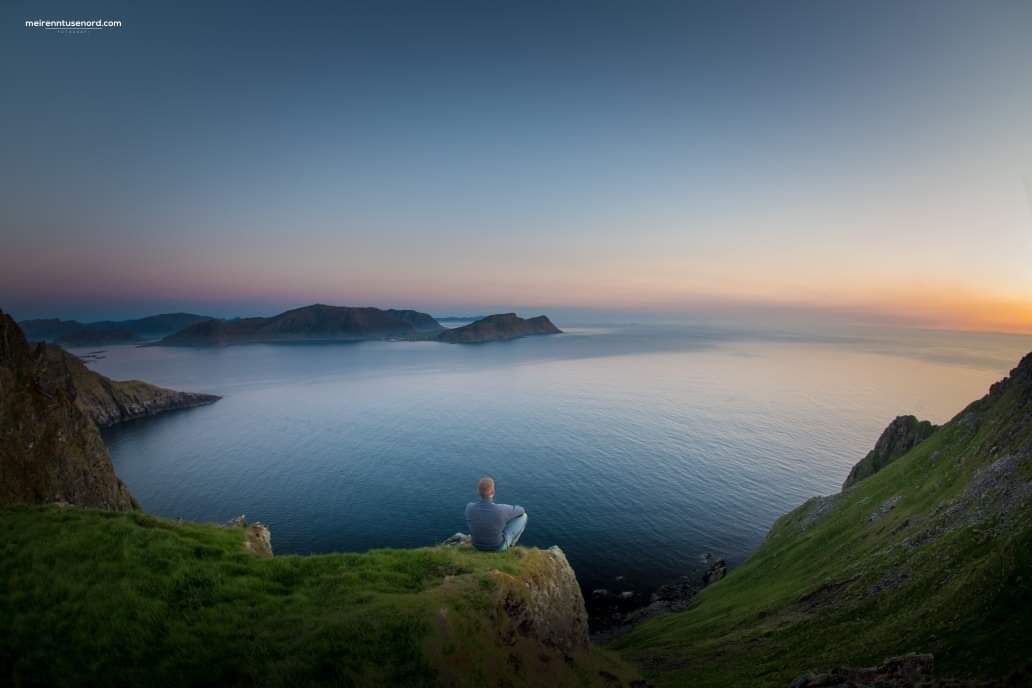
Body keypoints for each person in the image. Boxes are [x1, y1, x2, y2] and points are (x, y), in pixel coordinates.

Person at [464, 476, 527, 551]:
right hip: (497, 547)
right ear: (493, 492)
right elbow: (522, 510)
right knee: (524, 516)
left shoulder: (469, 507)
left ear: (478, 492)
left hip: (476, 545)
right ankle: (511, 545)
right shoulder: (501, 509)